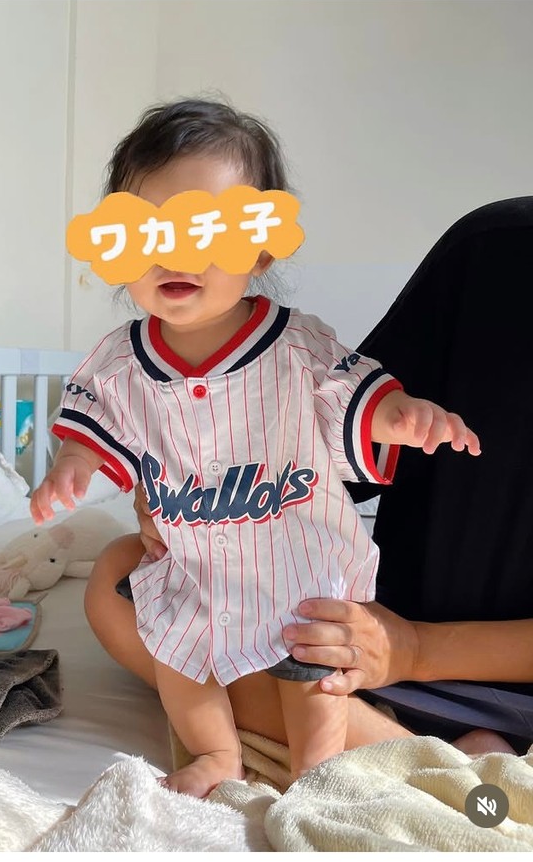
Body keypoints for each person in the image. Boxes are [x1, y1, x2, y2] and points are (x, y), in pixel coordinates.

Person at [32, 99, 480, 797]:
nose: (176, 254)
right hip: (193, 562)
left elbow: (355, 398)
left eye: (208, 231)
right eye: (148, 232)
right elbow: (92, 424)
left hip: (295, 562)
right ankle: (217, 753)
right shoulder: (119, 362)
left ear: (262, 248)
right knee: (174, 641)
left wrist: (402, 417)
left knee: (311, 664)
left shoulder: (298, 346)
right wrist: (72, 464)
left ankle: (316, 771)